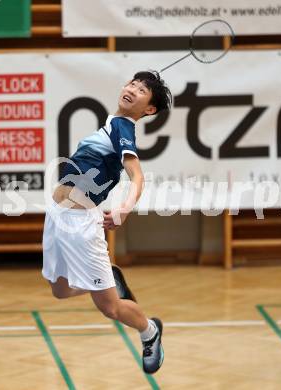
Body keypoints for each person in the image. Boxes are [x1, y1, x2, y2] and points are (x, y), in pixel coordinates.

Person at [42, 71, 172, 374]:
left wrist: (123, 210)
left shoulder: (124, 128)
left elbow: (137, 177)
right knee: (59, 291)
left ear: (149, 110)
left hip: (81, 225)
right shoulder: (112, 123)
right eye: (132, 84)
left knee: (111, 308)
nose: (132, 90)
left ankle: (149, 331)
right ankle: (107, 278)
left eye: (141, 91)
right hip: (57, 216)